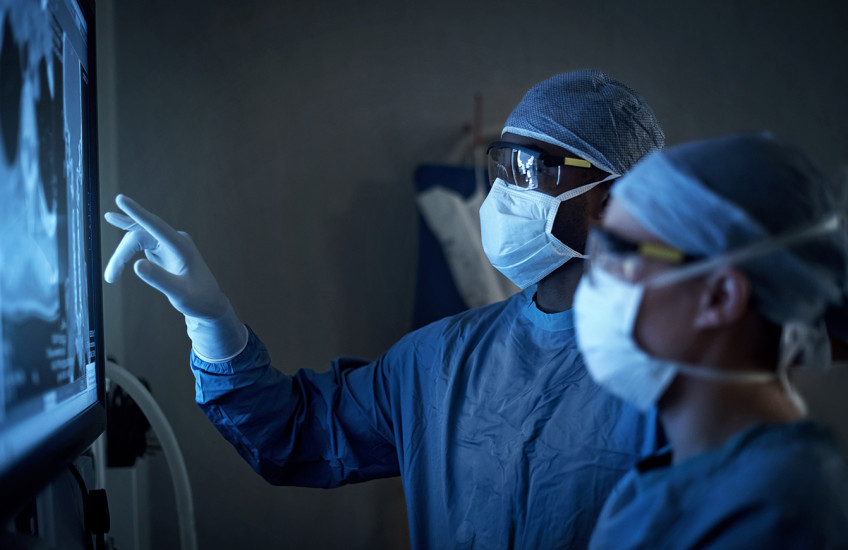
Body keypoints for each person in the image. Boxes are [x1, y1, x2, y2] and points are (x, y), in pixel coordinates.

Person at [103, 70, 666, 549]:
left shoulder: (683, 373)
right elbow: (295, 434)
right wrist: (212, 324)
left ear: (614, 200)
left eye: (531, 168)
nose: (503, 194)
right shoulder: (443, 358)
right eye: (501, 167)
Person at [573, 133, 848, 549]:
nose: (596, 283)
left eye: (620, 256)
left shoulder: (779, 511)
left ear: (719, 296)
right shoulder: (671, 478)